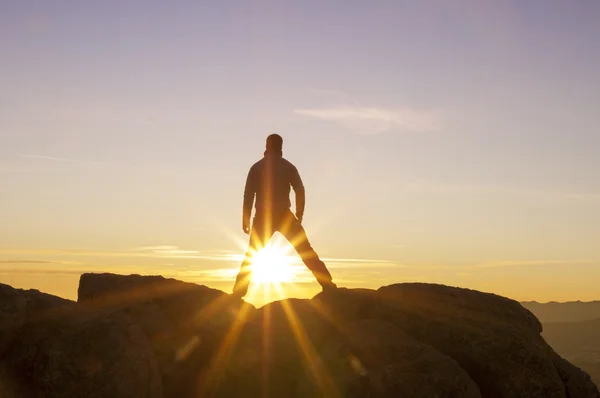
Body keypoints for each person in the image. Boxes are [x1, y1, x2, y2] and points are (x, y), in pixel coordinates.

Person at [232, 134, 337, 298]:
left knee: (252, 254)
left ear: (266, 146)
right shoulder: (288, 166)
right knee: (306, 251)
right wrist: (299, 213)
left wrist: (245, 218)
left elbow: (248, 195)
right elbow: (300, 190)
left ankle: (239, 291)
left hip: (262, 217)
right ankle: (328, 285)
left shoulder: (256, 167)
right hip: (284, 215)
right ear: (281, 147)